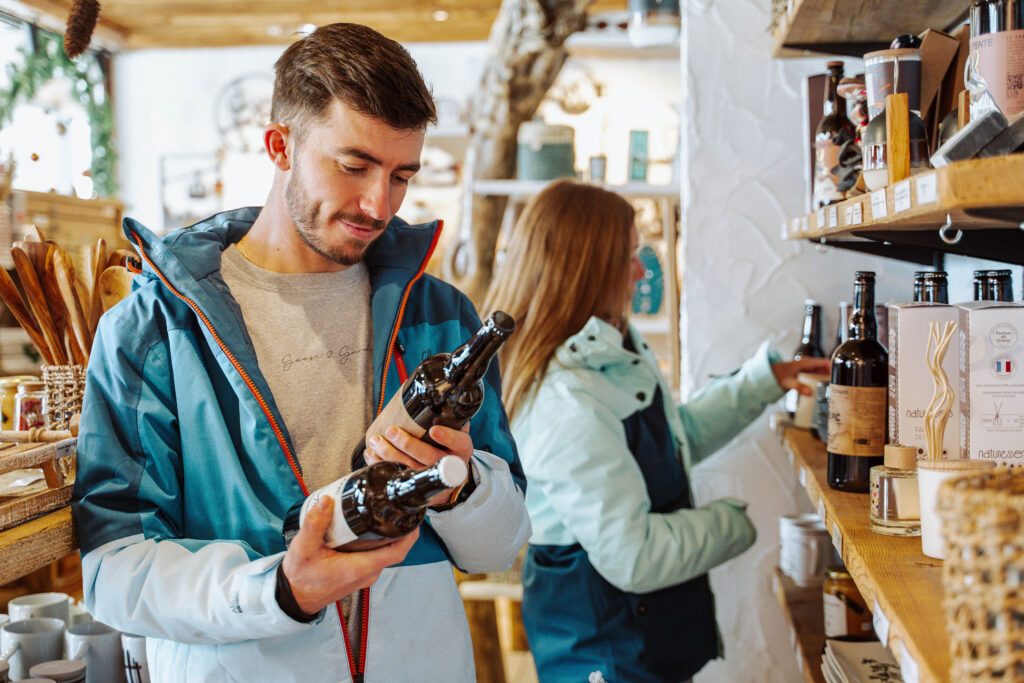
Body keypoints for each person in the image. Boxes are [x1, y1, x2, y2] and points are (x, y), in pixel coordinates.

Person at [72, 23, 530, 682]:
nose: (380, 204)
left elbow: (503, 545)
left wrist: (463, 491)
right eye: (353, 166)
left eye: (401, 175)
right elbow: (115, 569)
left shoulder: (441, 316)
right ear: (279, 145)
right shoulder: (153, 329)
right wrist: (279, 589)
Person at [483, 179, 829, 683]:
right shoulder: (566, 400)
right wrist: (734, 522)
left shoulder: (608, 348)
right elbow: (636, 556)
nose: (642, 271)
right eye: (629, 256)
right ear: (588, 271)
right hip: (607, 649)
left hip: (644, 637)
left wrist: (764, 381)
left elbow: (672, 439)